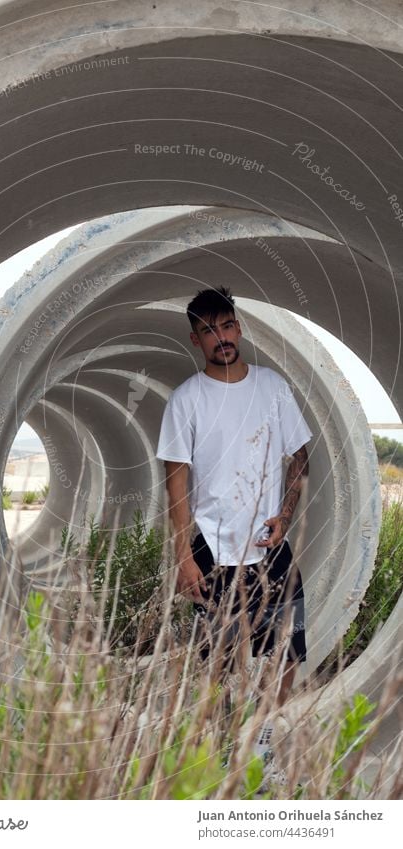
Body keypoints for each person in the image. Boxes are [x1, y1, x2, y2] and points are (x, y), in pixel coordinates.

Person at [156, 286, 312, 751]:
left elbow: (300, 458)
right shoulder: (186, 400)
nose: (220, 337)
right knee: (220, 660)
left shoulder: (272, 388)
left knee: (289, 650)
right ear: (194, 340)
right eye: (208, 331)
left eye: (226, 326)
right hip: (211, 548)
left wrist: (284, 516)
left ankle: (261, 746)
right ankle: (223, 749)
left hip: (268, 548)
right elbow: (176, 484)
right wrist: (184, 557)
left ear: (238, 328)